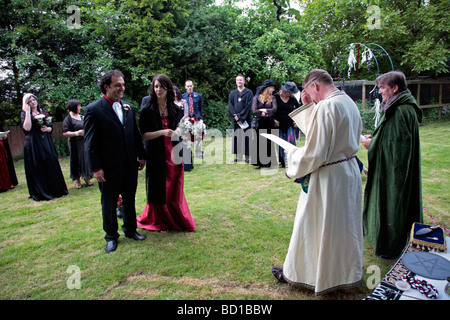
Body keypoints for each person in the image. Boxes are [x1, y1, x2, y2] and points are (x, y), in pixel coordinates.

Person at [272, 69, 363, 295]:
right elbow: (322, 132)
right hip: (347, 172)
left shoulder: (326, 106)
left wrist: (292, 158)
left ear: (314, 85)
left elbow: (315, 151)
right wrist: (307, 106)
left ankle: (306, 275)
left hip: (329, 178)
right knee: (341, 228)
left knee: (313, 224)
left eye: (309, 93)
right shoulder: (348, 101)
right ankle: (342, 275)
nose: (310, 98)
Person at [362, 70, 423, 259]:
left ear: (394, 88)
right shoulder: (398, 106)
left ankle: (391, 245)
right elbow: (392, 138)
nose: (379, 91)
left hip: (394, 175)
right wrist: (377, 137)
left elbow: (398, 151)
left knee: (393, 207)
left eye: (382, 87)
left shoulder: (400, 111)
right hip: (392, 170)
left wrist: (372, 145)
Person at [84, 70, 147, 253]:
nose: (122, 88)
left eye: (123, 84)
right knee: (109, 202)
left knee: (129, 199)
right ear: (107, 86)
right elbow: (90, 143)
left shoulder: (129, 108)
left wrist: (141, 155)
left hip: (129, 164)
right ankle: (111, 236)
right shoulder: (93, 110)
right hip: (108, 167)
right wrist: (96, 168)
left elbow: (134, 135)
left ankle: (130, 230)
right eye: (118, 85)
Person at [137, 74, 196, 233]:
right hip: (156, 154)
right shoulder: (147, 110)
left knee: (174, 185)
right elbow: (142, 135)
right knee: (159, 186)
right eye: (156, 86)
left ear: (168, 88)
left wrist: (182, 131)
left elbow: (179, 131)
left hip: (174, 152)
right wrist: (162, 132)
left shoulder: (176, 109)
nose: (158, 90)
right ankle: (161, 220)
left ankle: (175, 216)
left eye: (162, 87)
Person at [20, 93, 68, 201]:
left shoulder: (43, 111)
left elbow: (51, 127)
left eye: (34, 99)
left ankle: (56, 189)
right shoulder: (24, 113)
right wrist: (27, 112)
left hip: (46, 141)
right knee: (38, 165)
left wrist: (47, 129)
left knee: (51, 162)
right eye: (30, 101)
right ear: (26, 103)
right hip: (33, 143)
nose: (33, 102)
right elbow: (27, 128)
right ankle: (43, 192)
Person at [62, 99, 93, 189]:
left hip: (84, 142)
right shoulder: (68, 119)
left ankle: (87, 178)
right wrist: (77, 133)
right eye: (78, 106)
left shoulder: (81, 117)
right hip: (75, 143)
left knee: (86, 159)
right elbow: (65, 133)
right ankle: (78, 181)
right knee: (77, 160)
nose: (80, 107)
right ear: (73, 107)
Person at [273, 81, 301, 167]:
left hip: (289, 124)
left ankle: (292, 161)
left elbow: (299, 109)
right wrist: (273, 120)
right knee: (280, 143)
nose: (290, 94)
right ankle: (282, 162)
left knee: (291, 142)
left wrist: (297, 121)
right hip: (278, 124)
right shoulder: (276, 97)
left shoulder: (292, 99)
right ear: (285, 91)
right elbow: (271, 109)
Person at [251, 79, 277, 168]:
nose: (273, 90)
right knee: (260, 142)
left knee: (268, 141)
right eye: (272, 88)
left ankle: (268, 162)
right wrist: (261, 113)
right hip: (260, 122)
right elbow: (254, 110)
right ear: (267, 88)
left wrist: (265, 110)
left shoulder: (273, 98)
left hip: (269, 122)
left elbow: (274, 109)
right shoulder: (257, 97)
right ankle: (260, 163)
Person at [228, 74, 253, 163]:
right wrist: (236, 117)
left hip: (245, 120)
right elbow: (230, 106)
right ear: (236, 82)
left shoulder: (249, 93)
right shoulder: (232, 93)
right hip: (236, 121)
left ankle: (247, 157)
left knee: (247, 137)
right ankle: (238, 157)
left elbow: (248, 106)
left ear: (244, 81)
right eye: (237, 80)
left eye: (241, 80)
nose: (239, 81)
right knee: (237, 138)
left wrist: (241, 117)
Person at [182, 80, 203, 160]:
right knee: (187, 137)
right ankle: (188, 153)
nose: (189, 87)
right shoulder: (182, 97)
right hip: (187, 120)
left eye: (191, 86)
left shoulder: (198, 96)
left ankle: (198, 153)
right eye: (188, 86)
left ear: (193, 86)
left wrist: (198, 116)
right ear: (185, 87)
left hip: (196, 119)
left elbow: (200, 108)